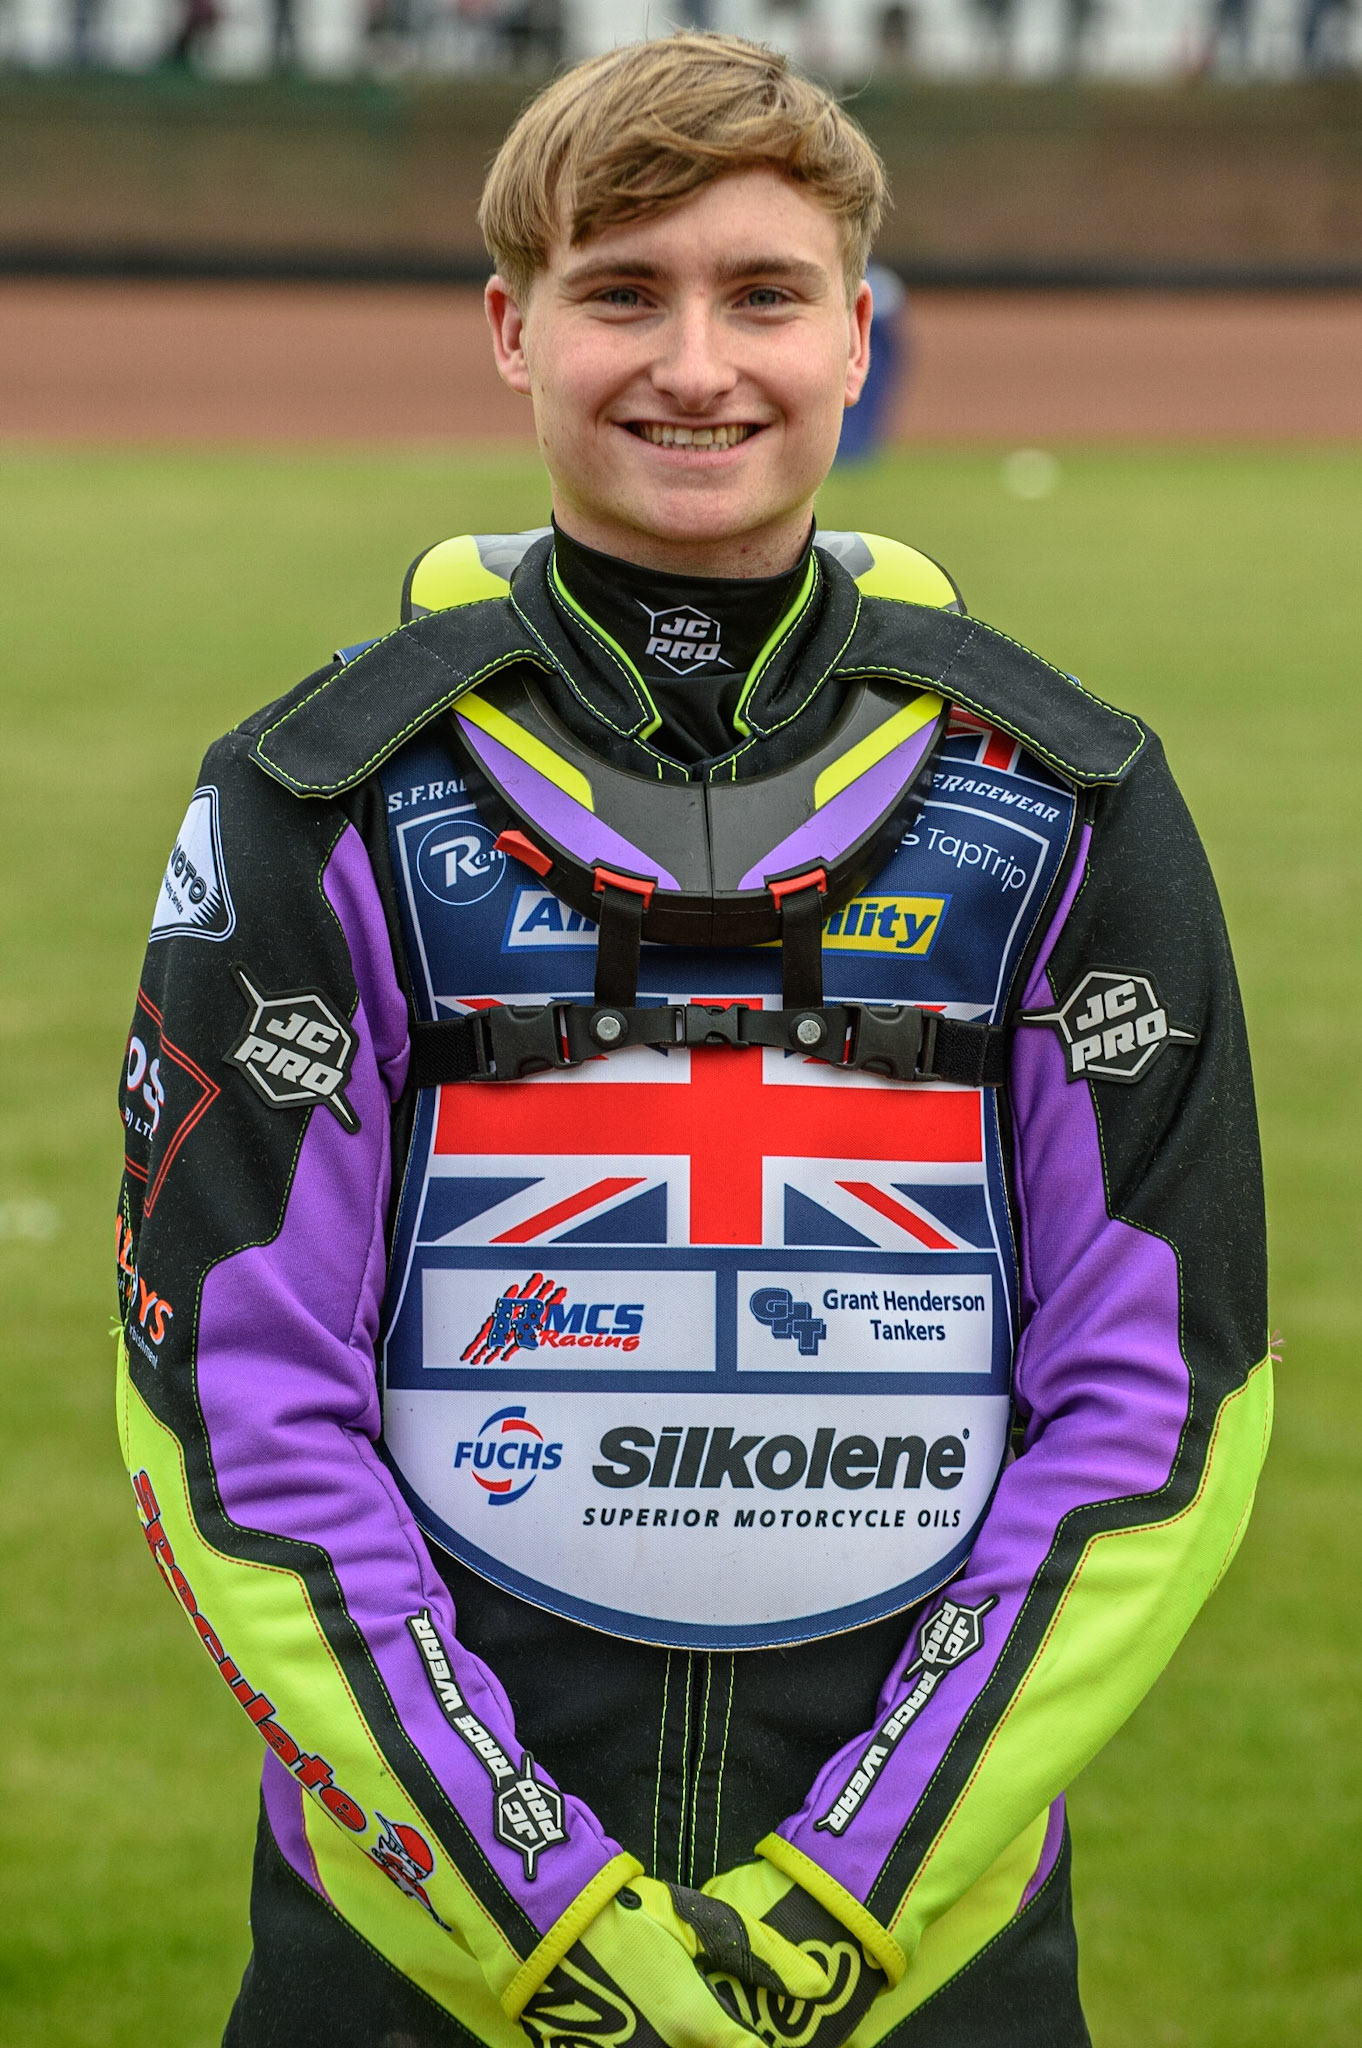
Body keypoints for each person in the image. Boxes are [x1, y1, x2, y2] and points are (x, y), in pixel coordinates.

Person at [115, 32, 1270, 2048]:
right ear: (511, 325)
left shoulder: (1067, 793)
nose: (696, 364)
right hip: (420, 1957)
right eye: (622, 293)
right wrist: (536, 1906)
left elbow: (1162, 1405)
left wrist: (847, 1896)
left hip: (935, 1951)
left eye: (764, 294)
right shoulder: (323, 795)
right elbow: (231, 1409)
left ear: (860, 337)